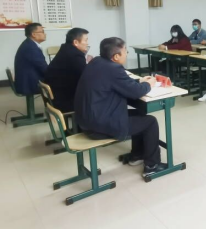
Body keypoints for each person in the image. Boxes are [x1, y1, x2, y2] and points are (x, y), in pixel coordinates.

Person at [74, 37, 165, 177]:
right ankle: (152, 165)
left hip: (87, 120)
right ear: (116, 56)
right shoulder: (114, 69)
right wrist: (148, 84)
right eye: (125, 51)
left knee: (139, 114)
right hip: (99, 125)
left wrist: (138, 81)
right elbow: (136, 92)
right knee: (150, 122)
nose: (127, 54)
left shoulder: (97, 62)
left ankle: (137, 155)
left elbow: (119, 83)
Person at [44, 28, 90, 113]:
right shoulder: (76, 55)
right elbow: (85, 77)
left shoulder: (66, 49)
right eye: (86, 40)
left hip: (56, 95)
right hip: (65, 100)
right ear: (76, 42)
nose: (87, 43)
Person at [14, 23, 48, 96]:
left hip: (28, 79)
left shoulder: (29, 43)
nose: (45, 34)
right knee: (62, 81)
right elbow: (43, 67)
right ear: (34, 34)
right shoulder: (31, 48)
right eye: (42, 32)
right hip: (30, 83)